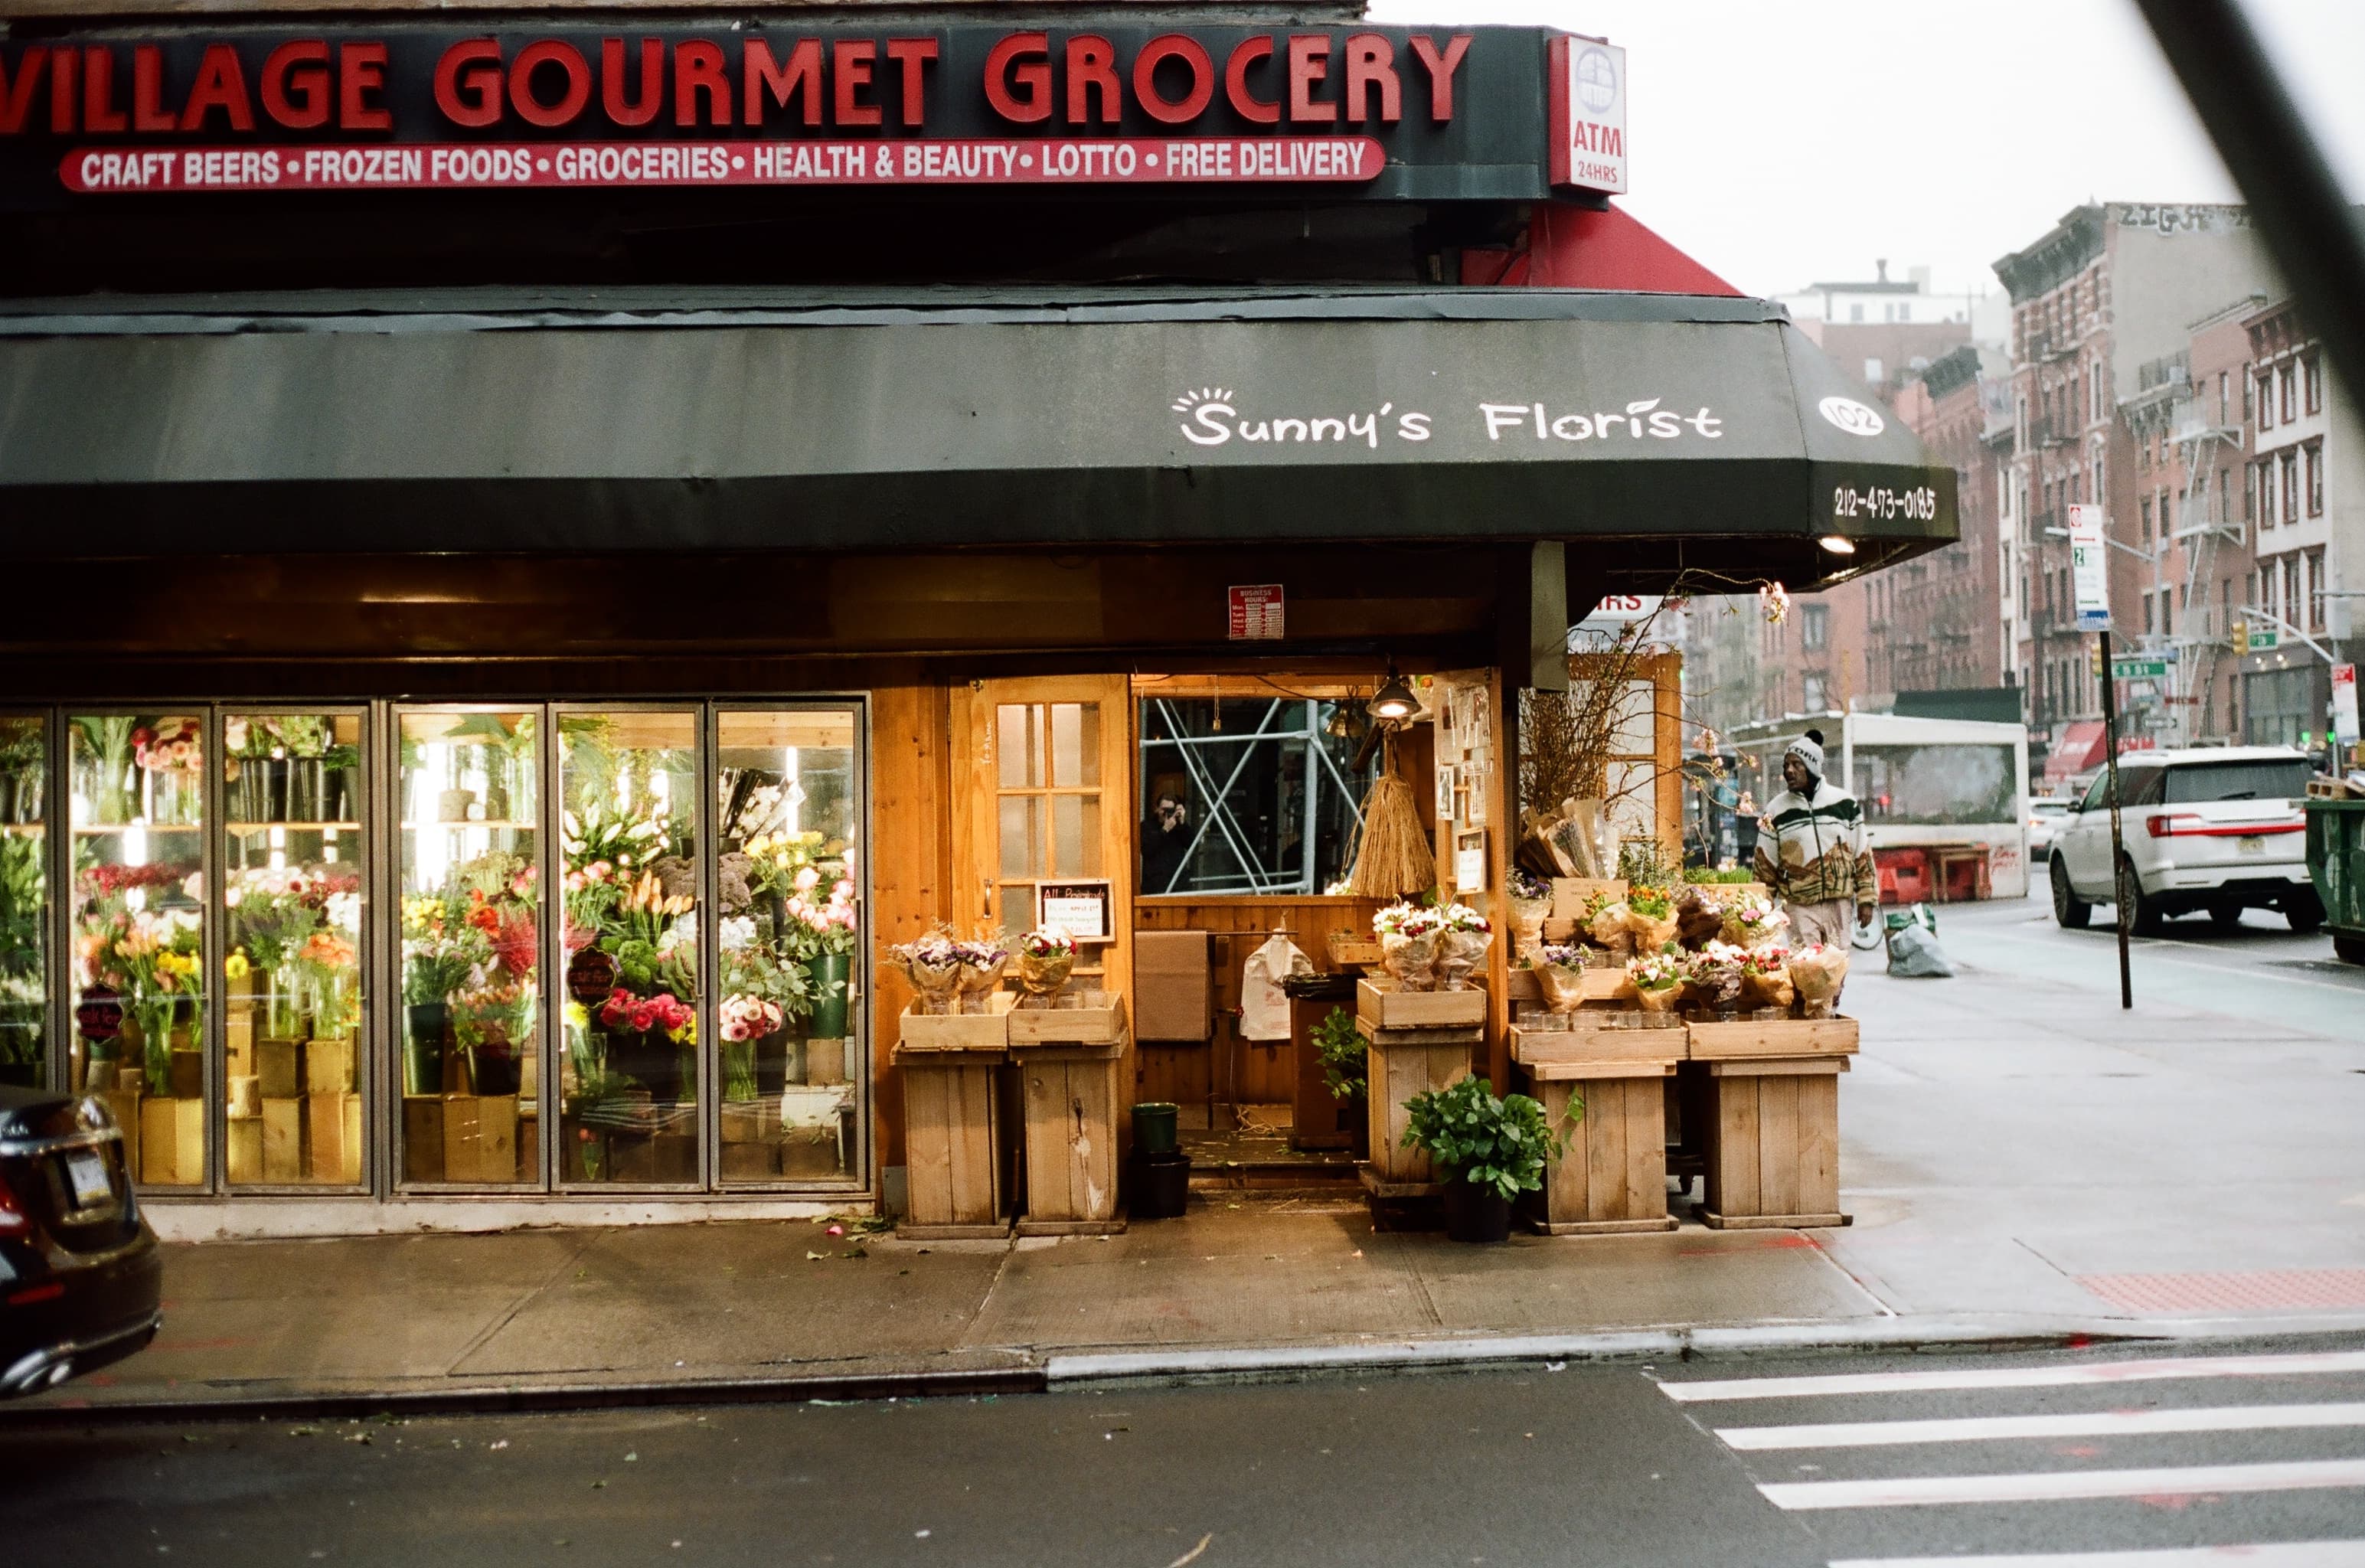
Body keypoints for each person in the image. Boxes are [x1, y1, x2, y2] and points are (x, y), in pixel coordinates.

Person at [1753, 729, 1877, 949]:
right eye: (1786, 766)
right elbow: (1765, 865)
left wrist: (1866, 899)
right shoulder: (1776, 810)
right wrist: (1760, 907)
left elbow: (1862, 854)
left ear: (1812, 767)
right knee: (1807, 971)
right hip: (1798, 907)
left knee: (1835, 971)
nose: (1788, 771)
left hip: (1838, 904)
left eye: (1796, 765)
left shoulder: (1845, 804)